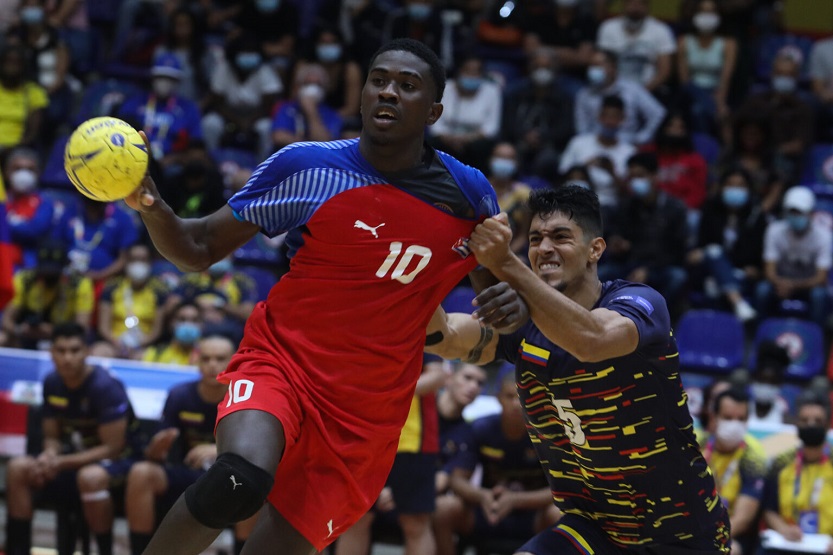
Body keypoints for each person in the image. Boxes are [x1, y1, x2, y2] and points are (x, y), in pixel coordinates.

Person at [123, 38, 523, 555]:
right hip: (282, 363)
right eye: (379, 80)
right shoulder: (306, 166)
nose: (389, 92)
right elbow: (198, 248)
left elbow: (497, 315)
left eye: (408, 86)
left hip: (366, 415)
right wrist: (152, 202)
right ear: (360, 96)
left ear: (434, 111)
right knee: (237, 479)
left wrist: (509, 301)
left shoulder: (470, 195)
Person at [426, 184, 731, 553]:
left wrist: (504, 263)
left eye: (560, 237)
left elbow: (591, 340)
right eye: (536, 238)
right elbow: (446, 337)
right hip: (591, 528)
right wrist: (415, 266)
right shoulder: (523, 328)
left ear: (595, 249)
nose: (544, 248)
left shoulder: (639, 302)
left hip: (681, 533)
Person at [4, 322, 142, 555]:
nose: (67, 358)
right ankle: (17, 549)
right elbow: (52, 436)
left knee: (90, 477)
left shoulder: (105, 387)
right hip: (72, 460)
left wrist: (60, 463)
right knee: (18, 468)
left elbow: (112, 448)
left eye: (74, 350)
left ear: (87, 352)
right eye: (61, 350)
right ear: (51, 353)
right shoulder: (51, 382)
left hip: (120, 463)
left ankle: (104, 550)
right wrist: (49, 455)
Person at [126, 334, 257, 555]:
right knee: (141, 473)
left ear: (235, 360)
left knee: (256, 487)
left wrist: (218, 450)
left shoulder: (248, 397)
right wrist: (158, 446)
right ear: (196, 360)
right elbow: (154, 455)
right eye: (205, 359)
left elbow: (258, 453)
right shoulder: (179, 395)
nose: (212, 365)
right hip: (190, 474)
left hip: (233, 479)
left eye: (219, 358)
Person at [433, 370, 561, 555]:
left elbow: (561, 491)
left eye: (522, 397)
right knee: (443, 508)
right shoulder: (480, 428)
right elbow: (457, 480)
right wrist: (483, 496)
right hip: (489, 510)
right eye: (509, 396)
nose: (516, 404)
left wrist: (515, 500)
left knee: (560, 514)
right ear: (498, 398)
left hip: (532, 516)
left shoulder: (548, 434)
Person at [762, 390, 833, 551]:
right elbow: (769, 510)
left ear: (828, 425)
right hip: (788, 543)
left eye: (817, 421)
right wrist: (783, 529)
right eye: (805, 420)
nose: (811, 426)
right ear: (796, 424)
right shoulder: (781, 462)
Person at [701, 388, 767, 555]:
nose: (734, 425)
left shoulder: (754, 458)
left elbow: (742, 519)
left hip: (728, 534)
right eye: (728, 418)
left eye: (741, 419)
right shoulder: (696, 446)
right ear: (714, 418)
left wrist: (707, 539)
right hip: (691, 526)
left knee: (731, 550)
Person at [755, 185, 832, 328]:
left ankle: (817, 337)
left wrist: (793, 286)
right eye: (792, 212)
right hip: (779, 283)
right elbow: (769, 270)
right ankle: (760, 333)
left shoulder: (824, 236)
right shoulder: (774, 230)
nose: (795, 217)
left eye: (800, 213)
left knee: (820, 296)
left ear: (811, 214)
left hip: (808, 286)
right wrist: (781, 283)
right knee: (762, 290)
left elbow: (821, 278)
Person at [0, 237, 94, 349]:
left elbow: (82, 328)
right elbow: (6, 320)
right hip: (24, 337)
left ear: (65, 266)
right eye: (45, 271)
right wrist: (20, 329)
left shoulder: (79, 285)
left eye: (54, 272)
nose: (49, 276)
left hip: (63, 340)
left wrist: (52, 331)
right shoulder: (25, 280)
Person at [574, 48, 666, 147]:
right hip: (594, 145)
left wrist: (642, 138)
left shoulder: (632, 90)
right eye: (591, 66)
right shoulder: (584, 94)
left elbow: (658, 114)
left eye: (598, 66)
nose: (593, 70)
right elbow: (582, 128)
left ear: (613, 68)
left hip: (626, 144)